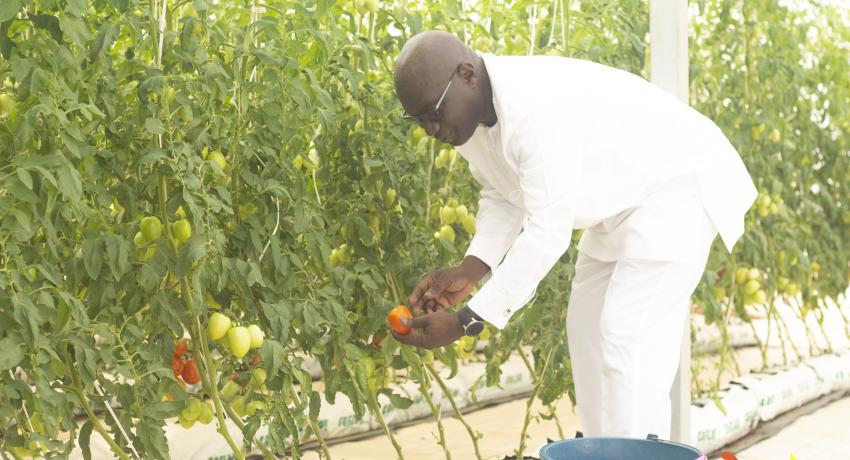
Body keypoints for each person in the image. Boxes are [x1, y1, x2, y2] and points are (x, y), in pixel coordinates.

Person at [390, 30, 757, 440]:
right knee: (585, 328)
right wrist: (471, 269)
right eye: (418, 118)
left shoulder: (534, 108)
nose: (429, 128)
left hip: (677, 188)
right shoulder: (467, 119)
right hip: (621, 204)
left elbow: (547, 234)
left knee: (626, 334)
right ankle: (606, 450)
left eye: (432, 112)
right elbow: (503, 192)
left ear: (467, 75)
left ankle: (635, 454)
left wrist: (466, 321)